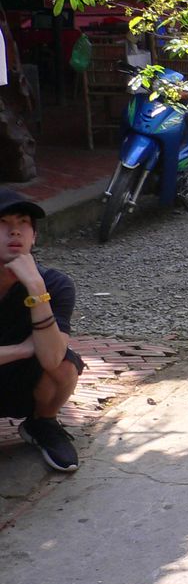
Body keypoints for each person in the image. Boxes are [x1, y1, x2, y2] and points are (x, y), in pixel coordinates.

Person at [0, 188, 84, 472]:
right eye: (3, 223)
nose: (15, 231)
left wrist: (36, 288)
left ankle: (42, 423)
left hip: (23, 384)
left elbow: (52, 358)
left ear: (34, 236)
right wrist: (22, 349)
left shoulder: (55, 284)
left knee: (64, 365)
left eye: (23, 223)